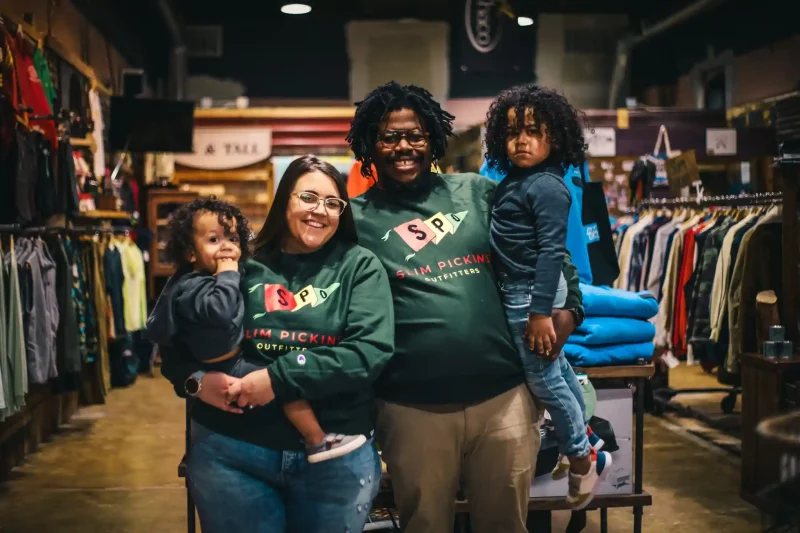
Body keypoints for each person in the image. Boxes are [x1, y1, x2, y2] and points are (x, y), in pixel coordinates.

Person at [346, 81, 585, 533]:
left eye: (415, 135)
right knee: (425, 525)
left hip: (504, 400)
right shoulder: (353, 220)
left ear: (433, 139)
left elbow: (553, 256)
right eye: (389, 136)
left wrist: (567, 314)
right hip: (411, 409)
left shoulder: (478, 193)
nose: (404, 147)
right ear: (369, 144)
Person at [158, 155, 395, 533]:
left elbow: (368, 353)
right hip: (232, 453)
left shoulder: (360, 266)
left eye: (333, 203)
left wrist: (277, 378)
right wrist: (197, 383)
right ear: (284, 199)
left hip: (336, 460)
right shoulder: (239, 261)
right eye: (308, 197)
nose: (320, 211)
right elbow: (174, 340)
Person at [147, 197, 367, 463]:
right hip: (227, 366)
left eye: (232, 239)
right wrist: (228, 274)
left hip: (233, 361)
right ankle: (317, 439)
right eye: (214, 240)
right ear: (191, 253)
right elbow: (221, 312)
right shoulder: (194, 286)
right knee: (284, 387)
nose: (226, 247)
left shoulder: (217, 276)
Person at [484, 84, 610, 510]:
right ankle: (589, 441)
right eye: (514, 132)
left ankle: (580, 458)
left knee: (543, 379)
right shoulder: (519, 180)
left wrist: (540, 313)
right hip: (523, 289)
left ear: (554, 137)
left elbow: (553, 253)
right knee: (558, 370)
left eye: (534, 131)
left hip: (531, 292)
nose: (522, 140)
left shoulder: (549, 187)